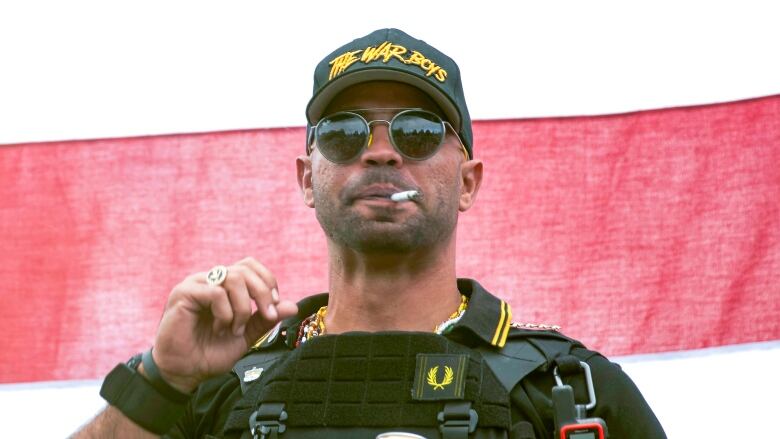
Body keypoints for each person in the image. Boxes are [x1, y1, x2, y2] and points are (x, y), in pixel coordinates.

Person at [76, 28, 666, 438]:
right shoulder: (214, 390)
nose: (380, 152)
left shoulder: (571, 390)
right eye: (343, 133)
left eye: (416, 131)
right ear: (309, 179)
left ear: (468, 182)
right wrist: (161, 379)